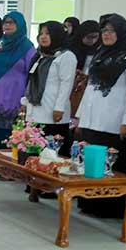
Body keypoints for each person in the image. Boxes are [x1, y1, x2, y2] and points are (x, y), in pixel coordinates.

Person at [75, 13, 126, 217]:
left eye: (112, 31)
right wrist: (81, 116)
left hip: (114, 121)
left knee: (110, 165)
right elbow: (90, 88)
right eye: (104, 31)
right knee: (89, 162)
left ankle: (109, 208)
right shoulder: (99, 55)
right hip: (92, 118)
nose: (107, 34)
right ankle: (89, 203)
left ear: (121, 33)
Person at [0, 11, 36, 147]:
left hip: (16, 96)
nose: (7, 25)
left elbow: (32, 75)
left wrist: (27, 99)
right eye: (5, 22)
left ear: (20, 25)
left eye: (11, 22)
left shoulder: (27, 47)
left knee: (13, 138)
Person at [22, 21, 76, 157]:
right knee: (33, 151)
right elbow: (31, 81)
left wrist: (59, 108)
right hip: (34, 110)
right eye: (41, 34)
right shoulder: (40, 55)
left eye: (47, 34)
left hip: (53, 111)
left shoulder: (66, 56)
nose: (43, 37)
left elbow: (66, 83)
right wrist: (25, 102)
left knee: (51, 154)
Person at [68, 20, 101, 119]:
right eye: (89, 37)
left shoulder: (101, 49)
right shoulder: (72, 47)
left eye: (95, 37)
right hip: (74, 86)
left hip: (92, 87)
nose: (92, 40)